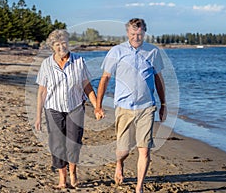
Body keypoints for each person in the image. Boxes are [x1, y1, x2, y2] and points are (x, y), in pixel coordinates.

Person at [95, 18, 167, 193]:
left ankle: (139, 187)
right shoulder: (116, 51)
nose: (136, 37)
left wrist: (163, 103)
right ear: (128, 33)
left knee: (144, 150)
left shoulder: (153, 52)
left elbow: (158, 79)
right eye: (133, 34)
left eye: (140, 34)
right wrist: (98, 106)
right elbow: (105, 79)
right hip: (124, 107)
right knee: (123, 149)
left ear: (144, 33)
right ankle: (119, 163)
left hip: (146, 107)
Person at [35, 29, 97, 189]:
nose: (61, 46)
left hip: (75, 107)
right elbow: (42, 91)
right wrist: (38, 116)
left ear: (68, 44)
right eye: (57, 44)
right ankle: (62, 179)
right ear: (52, 47)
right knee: (57, 144)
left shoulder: (79, 61)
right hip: (53, 108)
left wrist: (97, 106)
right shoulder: (46, 64)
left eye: (63, 43)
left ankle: (73, 173)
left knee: (74, 142)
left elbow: (87, 86)